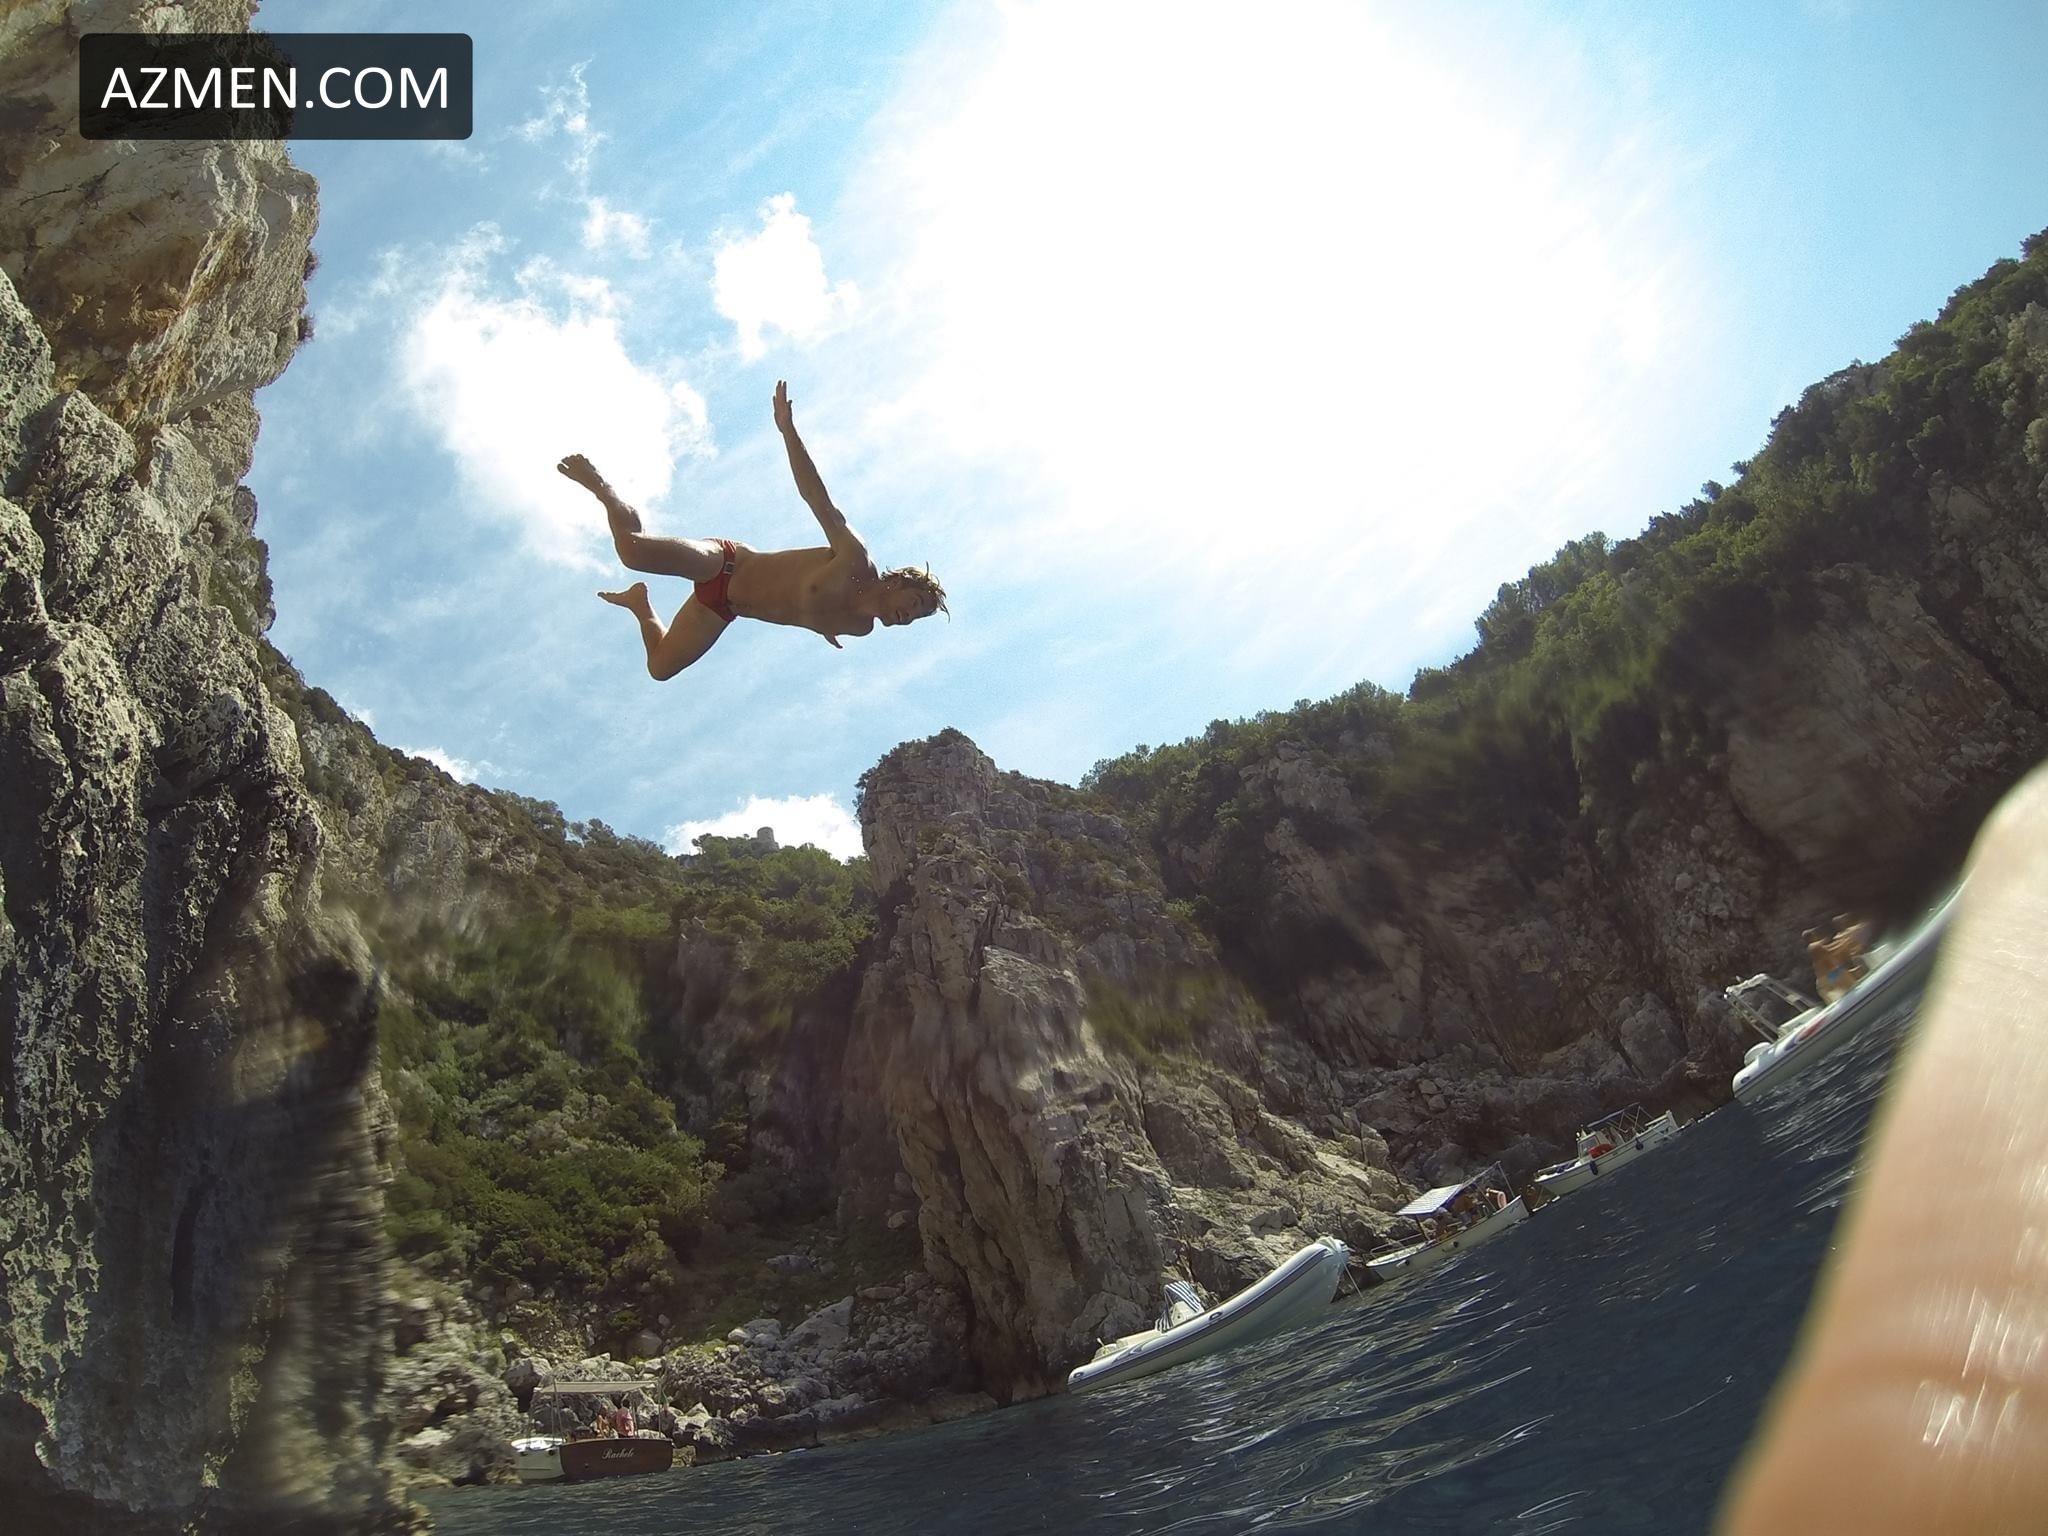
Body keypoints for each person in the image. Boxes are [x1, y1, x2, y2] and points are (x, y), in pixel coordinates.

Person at [1721, 765, 2048, 1532]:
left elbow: (1852, 950)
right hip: (1846, 996)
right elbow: (1842, 962)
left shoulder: (1836, 948)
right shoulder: (1827, 956)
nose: (1824, 935)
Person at [559, 381, 947, 680]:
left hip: (723, 607)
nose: (909, 617)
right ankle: (607, 493)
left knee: (660, 668)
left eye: (917, 617)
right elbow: (816, 498)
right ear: (898, 581)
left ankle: (639, 603)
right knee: (632, 552)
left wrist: (823, 624)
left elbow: (809, 608)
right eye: (915, 603)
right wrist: (787, 431)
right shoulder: (854, 560)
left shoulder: (859, 628)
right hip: (727, 564)